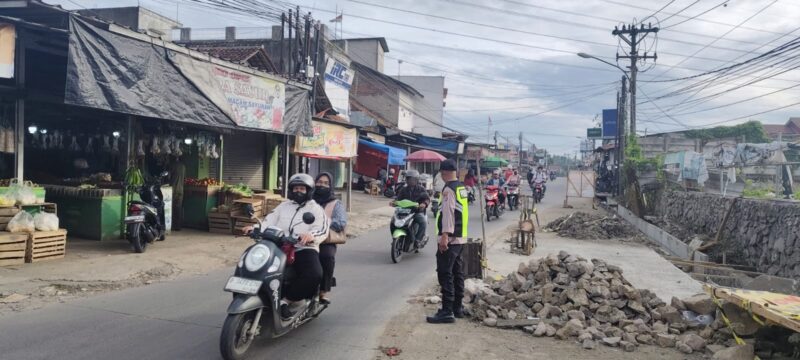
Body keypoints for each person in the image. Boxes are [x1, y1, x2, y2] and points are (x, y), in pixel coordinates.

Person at [247, 173, 328, 319]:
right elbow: (268, 221)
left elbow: (322, 228)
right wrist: (254, 228)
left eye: (302, 189)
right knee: (255, 267)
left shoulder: (315, 209)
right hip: (277, 246)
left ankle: (287, 300)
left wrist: (311, 236)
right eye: (295, 188)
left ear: (309, 190)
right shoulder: (283, 206)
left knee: (314, 274)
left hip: (303, 248)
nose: (298, 191)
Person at [427, 159, 469, 324]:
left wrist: (445, 236)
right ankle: (457, 308)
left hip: (450, 239)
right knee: (457, 273)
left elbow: (448, 214)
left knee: (445, 274)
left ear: (443, 173)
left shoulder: (448, 190)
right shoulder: (461, 187)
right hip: (460, 238)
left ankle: (447, 311)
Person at [313, 172, 347, 305]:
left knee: (327, 257)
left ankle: (324, 290)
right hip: (304, 236)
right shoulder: (308, 199)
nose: (322, 185)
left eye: (326, 183)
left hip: (326, 239)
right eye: (319, 182)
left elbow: (340, 223)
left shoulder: (335, 203)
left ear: (331, 185)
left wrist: (322, 222)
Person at [390, 170, 430, 246]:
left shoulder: (421, 189)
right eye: (408, 179)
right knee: (393, 222)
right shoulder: (403, 189)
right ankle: (395, 238)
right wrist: (394, 202)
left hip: (416, 211)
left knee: (423, 223)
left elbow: (427, 199)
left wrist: (424, 204)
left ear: (416, 180)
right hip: (404, 211)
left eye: (412, 179)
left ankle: (418, 240)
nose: (410, 181)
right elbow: (398, 199)